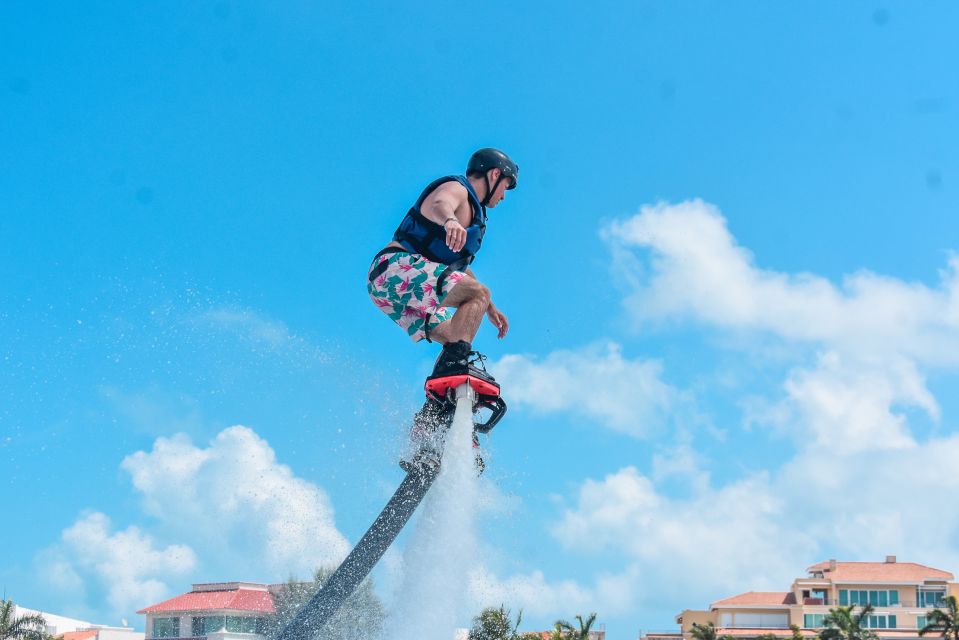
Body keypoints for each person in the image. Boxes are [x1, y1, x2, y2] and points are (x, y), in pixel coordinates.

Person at [367, 148, 518, 380]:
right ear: (495, 174)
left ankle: (442, 391)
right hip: (393, 268)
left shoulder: (473, 216)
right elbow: (440, 202)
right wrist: (449, 220)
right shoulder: (458, 189)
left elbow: (459, 270)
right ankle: (454, 367)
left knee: (454, 334)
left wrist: (489, 307)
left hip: (387, 289)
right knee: (477, 296)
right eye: (505, 187)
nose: (503, 196)